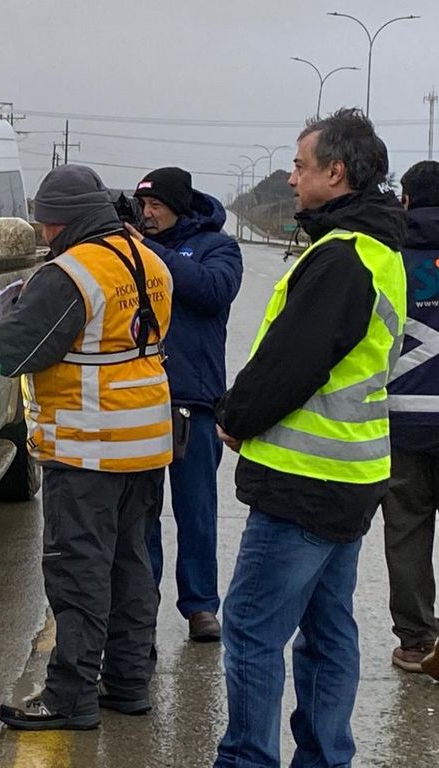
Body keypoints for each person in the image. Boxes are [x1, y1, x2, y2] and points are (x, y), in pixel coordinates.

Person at [214, 108, 406, 767]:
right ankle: (325, 758)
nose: (291, 179)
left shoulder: (343, 256)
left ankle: (248, 759)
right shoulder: (379, 249)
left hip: (304, 483)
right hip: (349, 480)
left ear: (337, 171)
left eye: (301, 166)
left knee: (252, 627)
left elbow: (292, 362)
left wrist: (234, 416)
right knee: (327, 630)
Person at [0, 164, 173, 729]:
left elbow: (11, 355)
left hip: (88, 450)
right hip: (145, 445)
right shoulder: (147, 258)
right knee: (131, 566)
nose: (44, 236)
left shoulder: (70, 275)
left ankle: (70, 696)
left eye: (47, 226)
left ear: (66, 221)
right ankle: (129, 682)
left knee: (78, 574)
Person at [124, 166, 243, 643]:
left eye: (156, 206)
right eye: (143, 207)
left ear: (181, 206)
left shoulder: (219, 247)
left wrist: (147, 250)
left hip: (195, 398)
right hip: (139, 398)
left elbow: (211, 291)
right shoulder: (130, 251)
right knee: (140, 509)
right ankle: (140, 600)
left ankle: (200, 606)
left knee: (196, 509)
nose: (148, 215)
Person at [382, 159, 439, 673]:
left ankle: (418, 642)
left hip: (401, 421)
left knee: (406, 531)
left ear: (406, 199)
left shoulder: (389, 257)